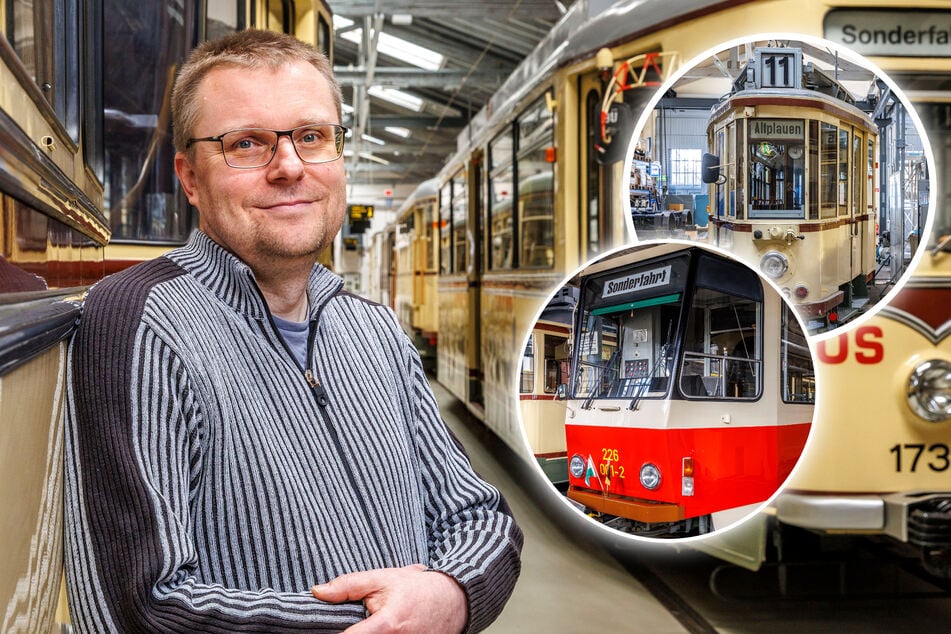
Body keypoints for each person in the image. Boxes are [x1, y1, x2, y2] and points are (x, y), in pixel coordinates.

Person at [63, 29, 522, 633]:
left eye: (311, 137)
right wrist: (389, 620)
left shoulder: (372, 330)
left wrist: (452, 595)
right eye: (246, 143)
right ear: (190, 178)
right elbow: (145, 604)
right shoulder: (143, 322)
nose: (289, 167)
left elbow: (481, 514)